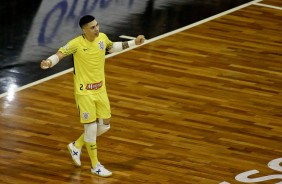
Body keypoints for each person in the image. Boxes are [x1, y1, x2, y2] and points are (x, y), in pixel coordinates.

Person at [40, 15, 145, 177]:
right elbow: (60, 53)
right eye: (92, 27)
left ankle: (76, 145)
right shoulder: (76, 43)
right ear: (84, 30)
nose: (97, 29)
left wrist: (133, 43)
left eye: (97, 25)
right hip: (84, 93)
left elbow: (112, 47)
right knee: (90, 127)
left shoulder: (102, 38)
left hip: (100, 90)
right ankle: (95, 165)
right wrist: (49, 62)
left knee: (105, 125)